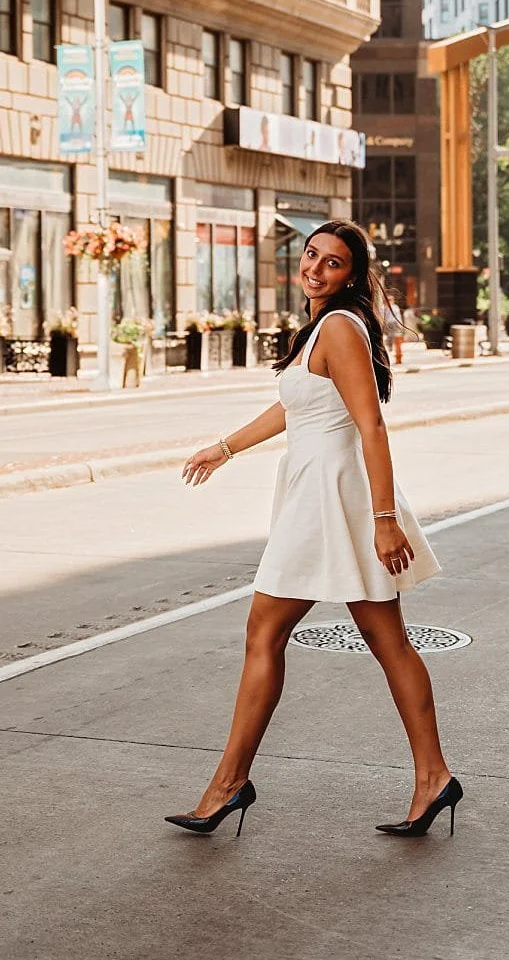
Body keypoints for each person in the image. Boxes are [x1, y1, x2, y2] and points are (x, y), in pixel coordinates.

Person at [167, 219, 461, 840]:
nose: (315, 269)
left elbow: (371, 426)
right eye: (311, 255)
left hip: (335, 499)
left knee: (266, 631)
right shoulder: (323, 329)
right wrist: (224, 447)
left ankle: (228, 785)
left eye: (332, 263)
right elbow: (294, 406)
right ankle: (434, 777)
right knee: (386, 639)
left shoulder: (339, 328)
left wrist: (384, 519)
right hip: (320, 491)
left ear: (352, 274)